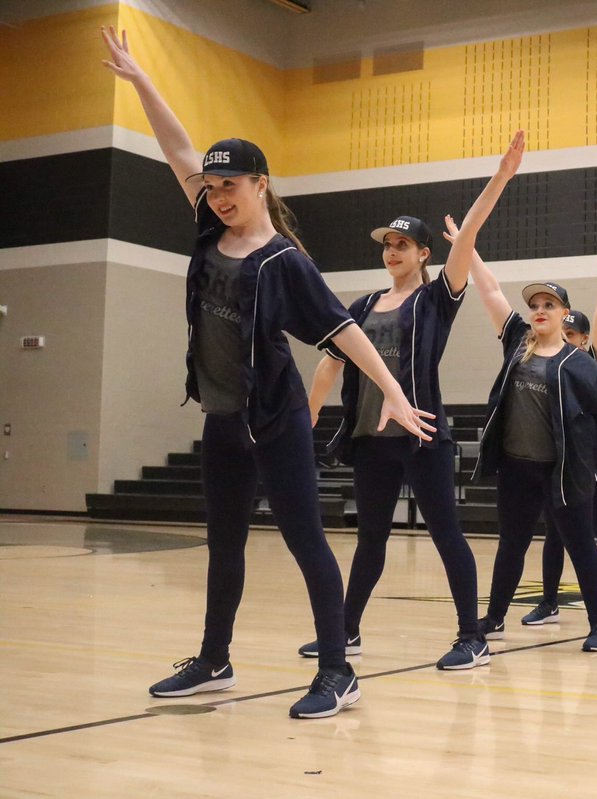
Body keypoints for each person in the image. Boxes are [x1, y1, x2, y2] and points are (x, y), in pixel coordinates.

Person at [101, 27, 435, 718]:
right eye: (213, 185)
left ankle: (339, 669)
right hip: (223, 417)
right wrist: (140, 81)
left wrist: (396, 393)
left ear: (261, 185)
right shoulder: (207, 222)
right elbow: (176, 148)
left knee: (305, 539)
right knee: (224, 542)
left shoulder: (284, 260)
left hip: (275, 422)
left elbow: (342, 330)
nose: (219, 195)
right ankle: (214, 657)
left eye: (232, 186)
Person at [299, 144, 524, 672]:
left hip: (422, 437)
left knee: (446, 534)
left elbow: (465, 239)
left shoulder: (435, 300)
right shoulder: (360, 307)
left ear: (424, 253)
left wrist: (500, 178)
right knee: (369, 541)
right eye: (388, 245)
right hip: (370, 441)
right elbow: (330, 364)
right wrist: (307, 413)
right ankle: (347, 630)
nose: (393, 251)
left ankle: (473, 636)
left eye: (404, 245)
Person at [459, 158, 597, 653]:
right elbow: (488, 290)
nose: (538, 310)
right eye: (534, 304)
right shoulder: (516, 341)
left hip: (563, 471)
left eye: (548, 305)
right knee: (511, 544)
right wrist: (466, 247)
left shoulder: (580, 363)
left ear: (563, 313)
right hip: (517, 469)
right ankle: (494, 616)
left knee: (580, 545)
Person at [521, 244, 597, 632]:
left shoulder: (589, 363)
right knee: (553, 536)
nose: (568, 337)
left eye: (574, 333)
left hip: (592, 466)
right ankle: (549, 602)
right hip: (558, 463)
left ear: (585, 339)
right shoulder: (542, 359)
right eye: (565, 331)